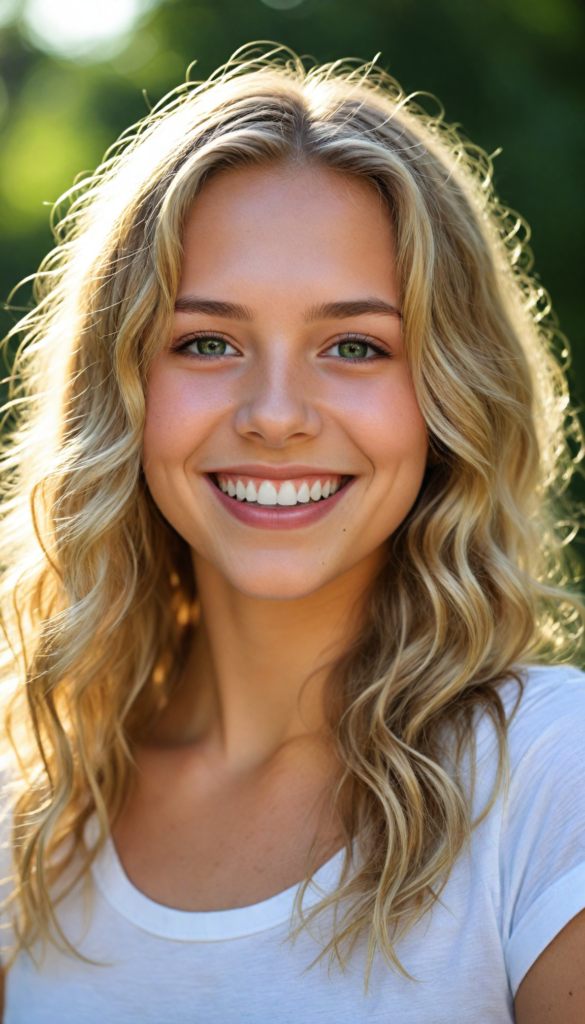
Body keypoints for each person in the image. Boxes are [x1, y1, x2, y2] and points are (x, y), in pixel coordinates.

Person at [0, 44, 583, 1023]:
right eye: (207, 342)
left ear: (449, 392)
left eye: (354, 345)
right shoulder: (32, 814)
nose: (276, 413)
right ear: (123, 391)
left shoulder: (550, 777)